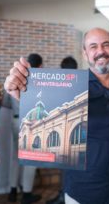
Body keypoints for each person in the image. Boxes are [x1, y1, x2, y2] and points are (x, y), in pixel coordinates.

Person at [4, 28, 109, 204]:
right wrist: (17, 89)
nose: (100, 51)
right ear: (85, 54)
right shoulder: (72, 87)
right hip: (82, 191)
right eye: (93, 46)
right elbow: (41, 97)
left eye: (106, 45)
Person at [3, 53, 43, 204]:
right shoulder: (39, 81)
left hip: (15, 121)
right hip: (31, 124)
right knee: (31, 160)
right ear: (39, 66)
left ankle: (12, 191)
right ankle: (26, 194)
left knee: (15, 158)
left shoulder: (15, 77)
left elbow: (6, 102)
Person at [46, 56, 78, 204]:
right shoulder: (80, 83)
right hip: (75, 134)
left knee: (64, 169)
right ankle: (64, 196)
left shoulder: (60, 84)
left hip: (63, 133)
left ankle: (63, 197)